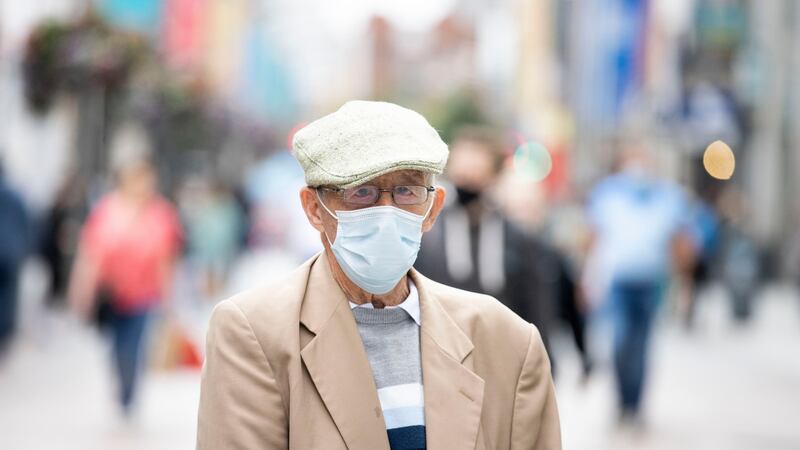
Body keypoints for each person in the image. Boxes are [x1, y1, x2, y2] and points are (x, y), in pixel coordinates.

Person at [197, 101, 560, 449]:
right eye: (361, 192)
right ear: (314, 208)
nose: (386, 211)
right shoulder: (254, 334)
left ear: (432, 209)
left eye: (406, 190)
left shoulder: (507, 341)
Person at [414, 126, 558, 366]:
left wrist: (543, 360)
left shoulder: (517, 239)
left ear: (493, 177)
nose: (467, 183)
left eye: (476, 174)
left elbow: (536, 304)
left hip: (499, 356)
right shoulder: (428, 233)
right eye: (462, 174)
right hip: (440, 356)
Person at [68, 124, 182, 415]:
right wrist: (81, 292)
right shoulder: (107, 211)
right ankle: (122, 385)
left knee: (134, 348)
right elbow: (91, 254)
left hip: (144, 296)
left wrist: (170, 303)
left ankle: (129, 394)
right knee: (116, 349)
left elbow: (166, 260)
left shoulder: (161, 214)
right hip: (111, 295)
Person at [585, 137, 693, 422]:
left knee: (642, 346)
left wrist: (684, 285)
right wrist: (586, 278)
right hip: (618, 281)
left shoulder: (668, 196)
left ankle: (634, 404)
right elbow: (592, 237)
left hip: (652, 282)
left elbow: (680, 241)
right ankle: (621, 398)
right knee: (620, 342)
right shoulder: (607, 194)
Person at [0, 159, 30, 357]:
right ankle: (4, 335)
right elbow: (27, 224)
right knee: (8, 299)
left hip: (10, 253)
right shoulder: (15, 194)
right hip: (11, 255)